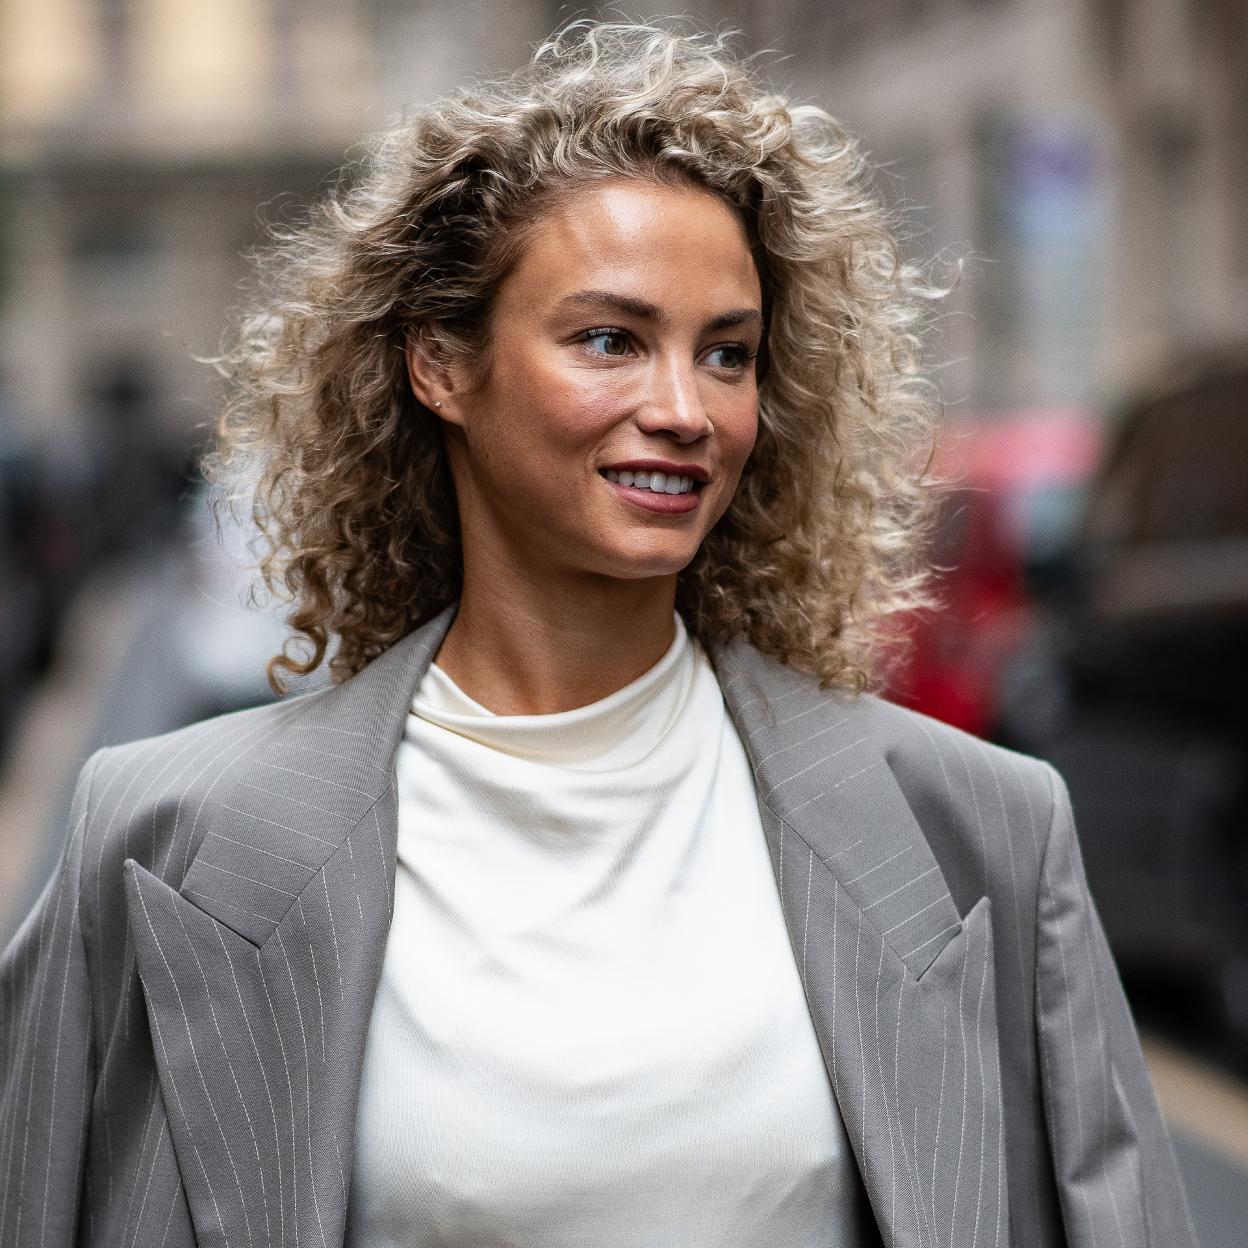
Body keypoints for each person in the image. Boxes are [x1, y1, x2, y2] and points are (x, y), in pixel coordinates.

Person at [0, 19, 1195, 1248]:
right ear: (440, 367)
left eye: (726, 354)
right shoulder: (161, 839)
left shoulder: (982, 831)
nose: (684, 409)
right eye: (610, 339)